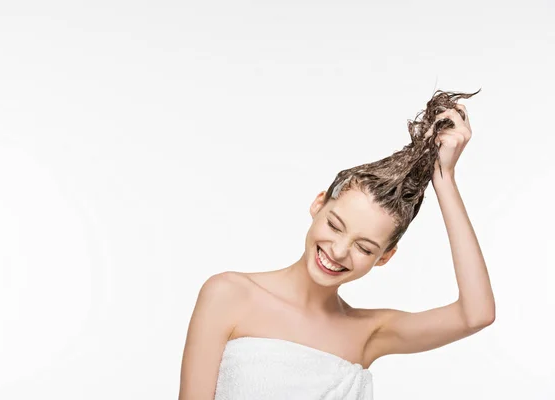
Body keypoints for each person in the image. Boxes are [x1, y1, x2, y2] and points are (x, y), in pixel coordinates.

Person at [178, 89, 495, 399]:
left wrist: (444, 179)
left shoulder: (369, 332)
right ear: (318, 204)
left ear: (385, 257)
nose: (339, 250)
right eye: (334, 225)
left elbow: (476, 314)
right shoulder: (229, 294)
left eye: (365, 248)